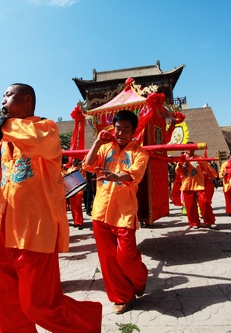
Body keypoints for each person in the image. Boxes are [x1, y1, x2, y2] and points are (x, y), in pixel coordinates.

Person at [0, 83, 102, 332]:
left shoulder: (46, 129)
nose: (3, 101)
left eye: (8, 95)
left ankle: (88, 323)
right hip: (3, 233)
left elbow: (35, 142)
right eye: (2, 97)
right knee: (10, 308)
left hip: (36, 233)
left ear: (27, 100)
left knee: (39, 306)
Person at [83, 110, 149, 315]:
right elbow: (88, 164)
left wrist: (115, 176)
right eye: (118, 128)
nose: (120, 133)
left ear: (133, 131)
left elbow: (132, 175)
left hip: (124, 213)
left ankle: (140, 278)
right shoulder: (106, 148)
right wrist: (96, 143)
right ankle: (122, 296)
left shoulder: (140, 153)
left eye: (126, 129)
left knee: (126, 256)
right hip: (100, 211)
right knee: (108, 260)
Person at [175, 144, 218, 229]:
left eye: (193, 148)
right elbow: (178, 171)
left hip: (199, 184)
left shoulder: (199, 158)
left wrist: (215, 176)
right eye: (189, 148)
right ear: (185, 149)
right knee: (190, 206)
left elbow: (207, 168)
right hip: (187, 185)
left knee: (205, 202)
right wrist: (180, 164)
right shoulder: (182, 159)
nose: (191, 150)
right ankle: (194, 222)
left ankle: (209, 221)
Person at [66, 158, 85, 229]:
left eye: (75, 159)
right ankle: (75, 222)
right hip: (71, 190)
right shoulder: (69, 169)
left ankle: (80, 222)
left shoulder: (80, 169)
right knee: (73, 207)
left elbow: (83, 178)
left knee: (78, 206)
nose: (74, 160)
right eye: (73, 159)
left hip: (79, 191)